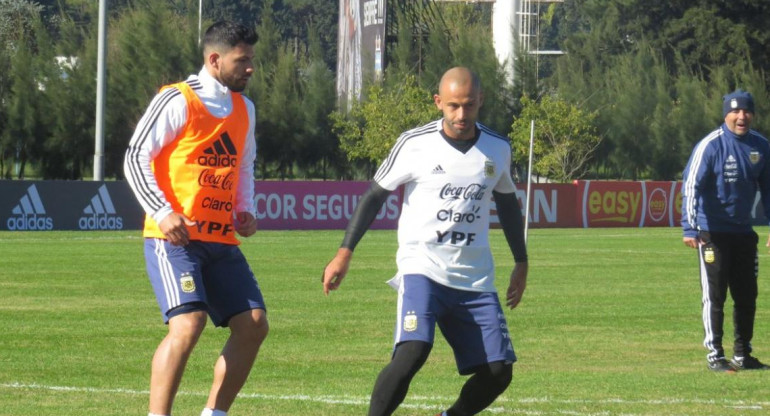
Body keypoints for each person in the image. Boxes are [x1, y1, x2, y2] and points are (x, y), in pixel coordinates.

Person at [323, 67, 529, 416]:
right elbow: (375, 195)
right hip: (423, 268)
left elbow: (508, 204)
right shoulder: (414, 143)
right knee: (413, 350)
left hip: (474, 277)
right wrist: (345, 252)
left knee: (498, 372)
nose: (461, 115)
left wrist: (521, 263)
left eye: (468, 106)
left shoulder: (497, 148)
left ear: (481, 100)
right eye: (452, 106)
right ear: (438, 103)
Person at [123, 21, 268, 416]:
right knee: (188, 325)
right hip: (176, 240)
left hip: (221, 239)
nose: (250, 68)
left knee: (254, 323)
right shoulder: (177, 99)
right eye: (243, 60)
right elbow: (136, 158)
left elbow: (243, 166)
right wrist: (162, 211)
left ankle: (214, 413)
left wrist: (245, 208)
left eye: (252, 60)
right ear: (215, 59)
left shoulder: (245, 109)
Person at [682, 89, 770, 372]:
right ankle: (715, 355)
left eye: (746, 111)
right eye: (735, 112)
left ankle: (743, 355)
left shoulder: (761, 146)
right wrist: (690, 227)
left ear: (752, 114)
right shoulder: (711, 145)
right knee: (715, 296)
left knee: (747, 295)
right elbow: (690, 186)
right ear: (725, 115)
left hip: (744, 234)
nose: (741, 116)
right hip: (712, 234)